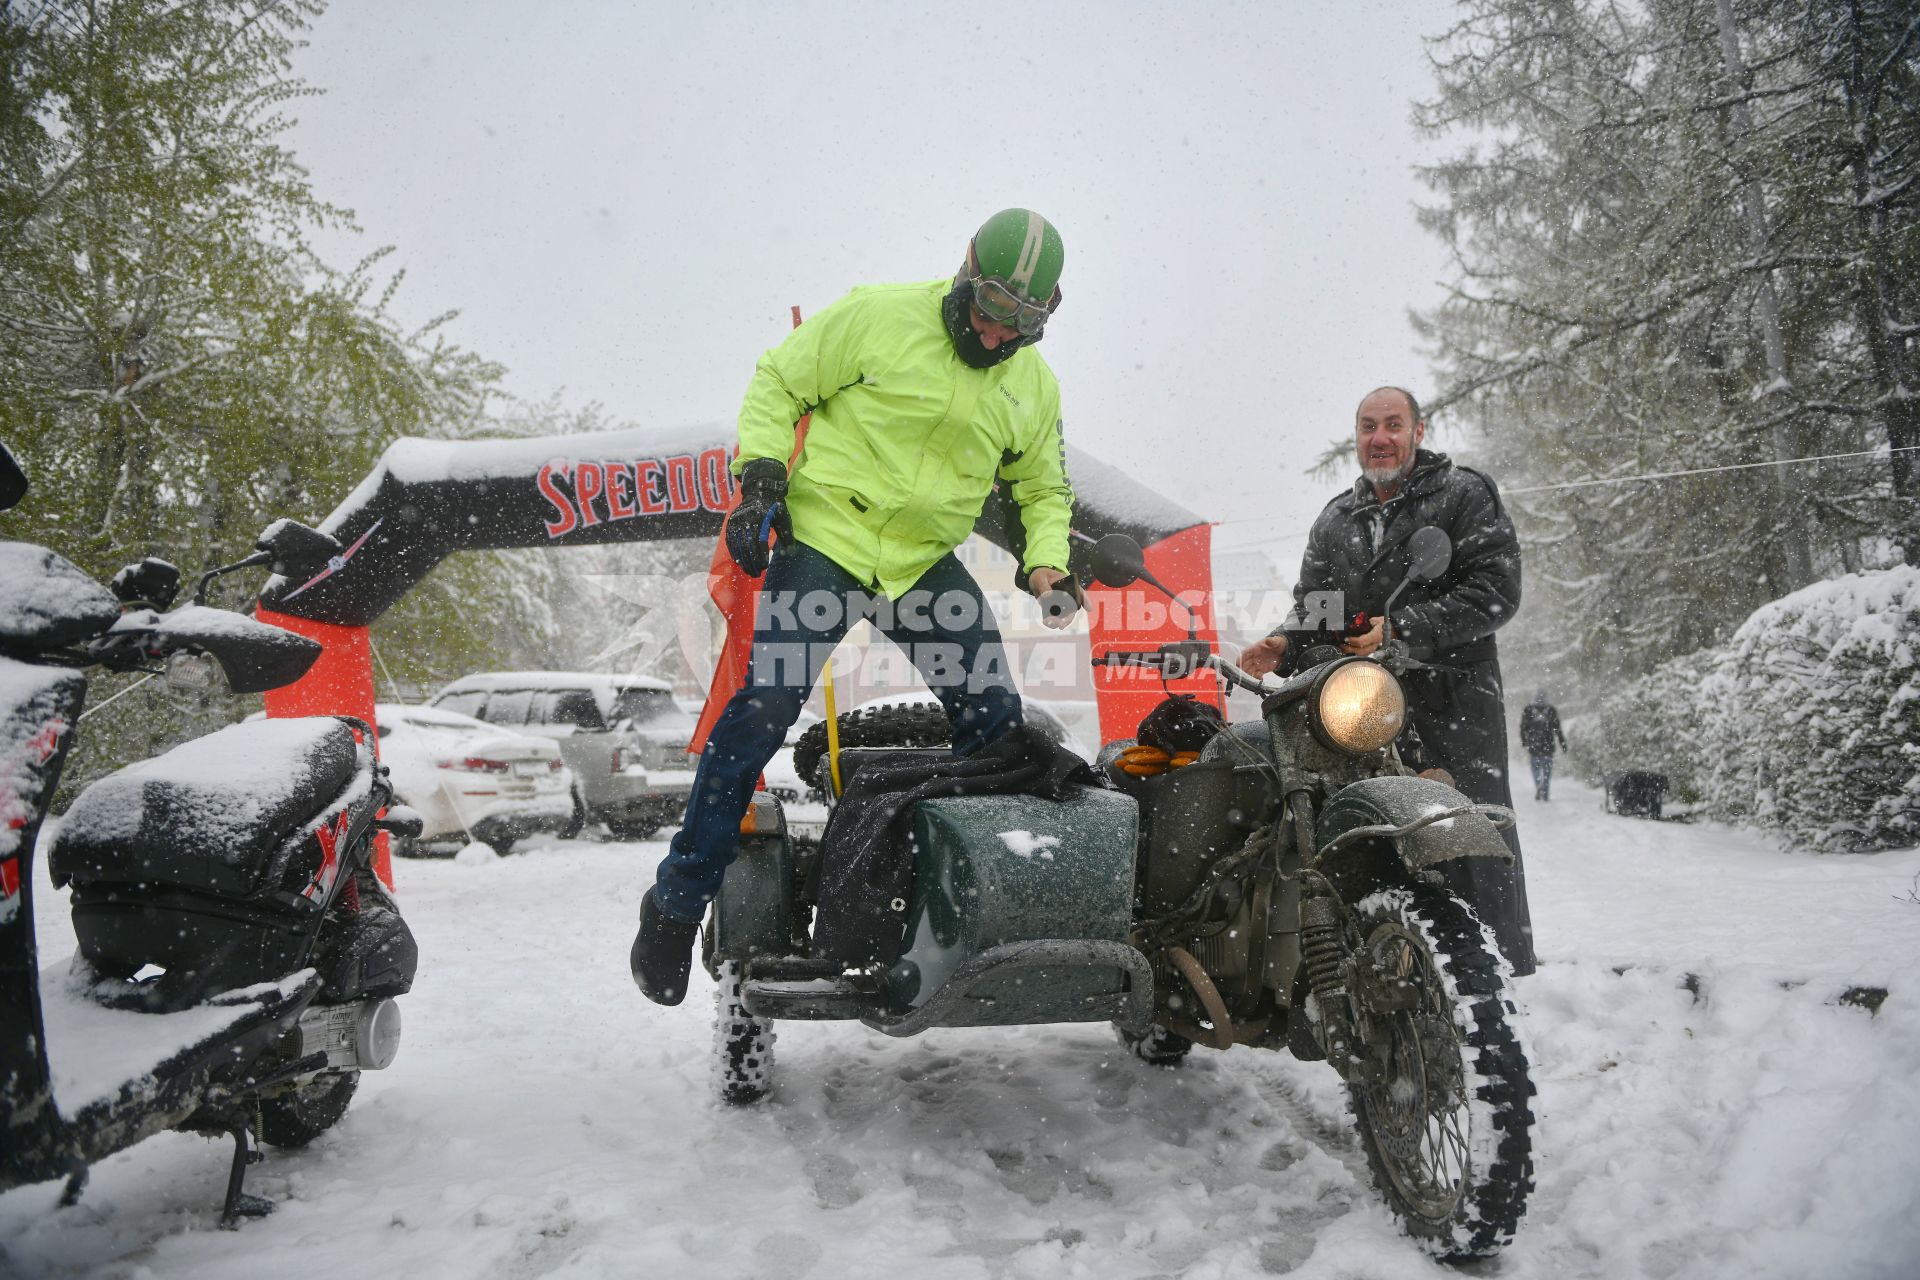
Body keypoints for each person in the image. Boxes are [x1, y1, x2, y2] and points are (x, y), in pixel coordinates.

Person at [630, 209, 1080, 1005]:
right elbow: (778, 379)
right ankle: (675, 899)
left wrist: (1047, 563)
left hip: (919, 568)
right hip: (830, 544)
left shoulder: (1030, 386)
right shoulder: (878, 316)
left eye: (1021, 328)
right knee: (764, 708)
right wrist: (761, 481)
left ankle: (956, 901)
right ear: (966, 271)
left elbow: (1042, 485)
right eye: (988, 313)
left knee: (997, 725)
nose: (997, 337)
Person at [1238, 387, 1536, 976]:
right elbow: (1316, 607)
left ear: (1417, 433)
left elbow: (1495, 592)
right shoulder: (1336, 519)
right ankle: (1387, 973)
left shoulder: (1463, 494)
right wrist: (1284, 642)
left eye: (1393, 425)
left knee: (1465, 835)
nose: (1380, 438)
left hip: (1449, 702)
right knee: (1369, 832)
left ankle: (1496, 981)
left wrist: (1403, 628)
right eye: (1369, 426)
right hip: (1360, 710)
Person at [1519, 691, 1567, 802]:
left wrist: (1524, 741)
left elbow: (1523, 728)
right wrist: (1562, 743)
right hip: (1548, 746)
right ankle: (1545, 791)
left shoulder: (1528, 710)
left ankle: (1538, 785)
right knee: (1547, 771)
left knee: (1535, 769)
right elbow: (1557, 729)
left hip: (1534, 746)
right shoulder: (1551, 710)